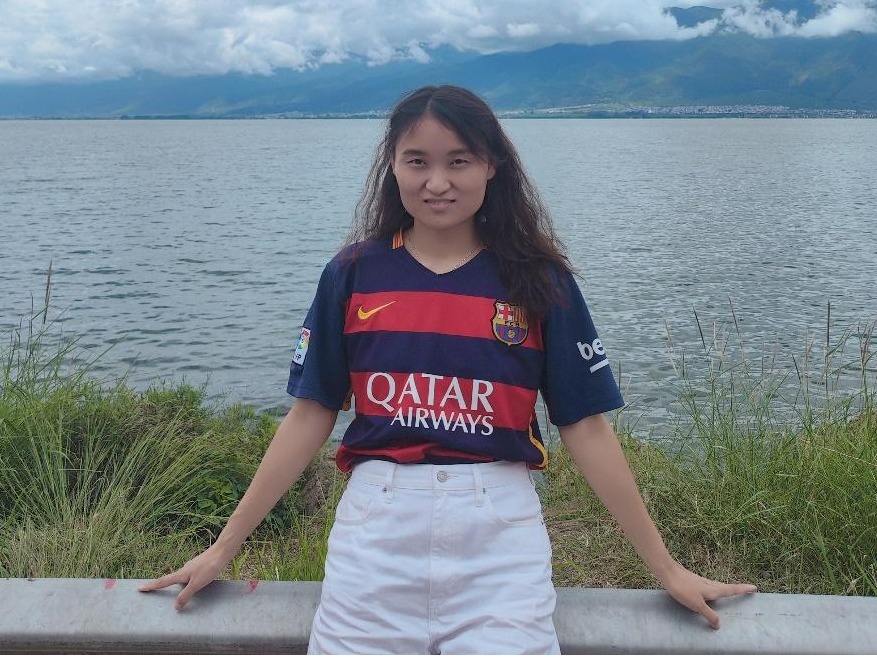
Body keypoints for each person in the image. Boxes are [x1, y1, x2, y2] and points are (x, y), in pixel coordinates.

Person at [139, 85, 756, 654]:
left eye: (459, 161)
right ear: (392, 167)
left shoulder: (540, 281)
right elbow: (310, 415)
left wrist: (666, 568)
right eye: (417, 161)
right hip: (374, 538)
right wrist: (223, 548)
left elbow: (586, 426)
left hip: (501, 542)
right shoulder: (353, 274)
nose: (438, 182)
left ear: (492, 165)